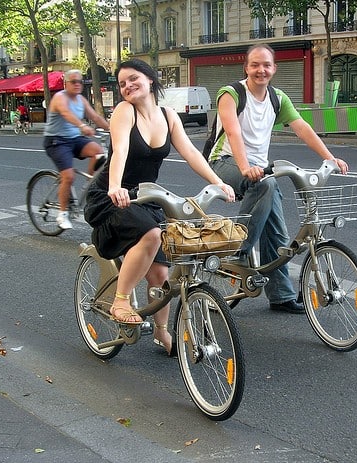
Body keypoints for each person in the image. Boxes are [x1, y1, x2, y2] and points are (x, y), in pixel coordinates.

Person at [84, 59, 235, 357]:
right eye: (122, 83)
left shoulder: (169, 116)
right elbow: (120, 151)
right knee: (152, 235)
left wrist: (218, 182)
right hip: (111, 196)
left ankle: (161, 331)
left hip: (147, 197)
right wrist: (115, 186)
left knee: (161, 274)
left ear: (151, 79)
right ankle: (121, 300)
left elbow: (191, 152)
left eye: (133, 78)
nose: (127, 86)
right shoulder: (124, 112)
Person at [208, 43, 349, 314]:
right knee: (266, 184)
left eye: (266, 65)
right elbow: (233, 132)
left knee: (277, 233)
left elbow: (302, 128)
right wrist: (246, 166)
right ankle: (238, 250)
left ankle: (282, 295)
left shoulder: (277, 98)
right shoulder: (231, 94)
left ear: (274, 68)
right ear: (246, 68)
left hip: (260, 170)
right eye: (255, 65)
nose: (261, 70)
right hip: (225, 163)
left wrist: (329, 157)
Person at [43, 69, 110, 230]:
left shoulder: (81, 99)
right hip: (56, 141)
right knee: (69, 176)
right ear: (66, 84)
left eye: (80, 81)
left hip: (74, 139)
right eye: (73, 81)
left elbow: (95, 117)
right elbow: (66, 113)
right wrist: (81, 125)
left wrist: (113, 129)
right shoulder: (59, 98)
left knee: (99, 152)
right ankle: (62, 213)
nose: (78, 84)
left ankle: (89, 187)